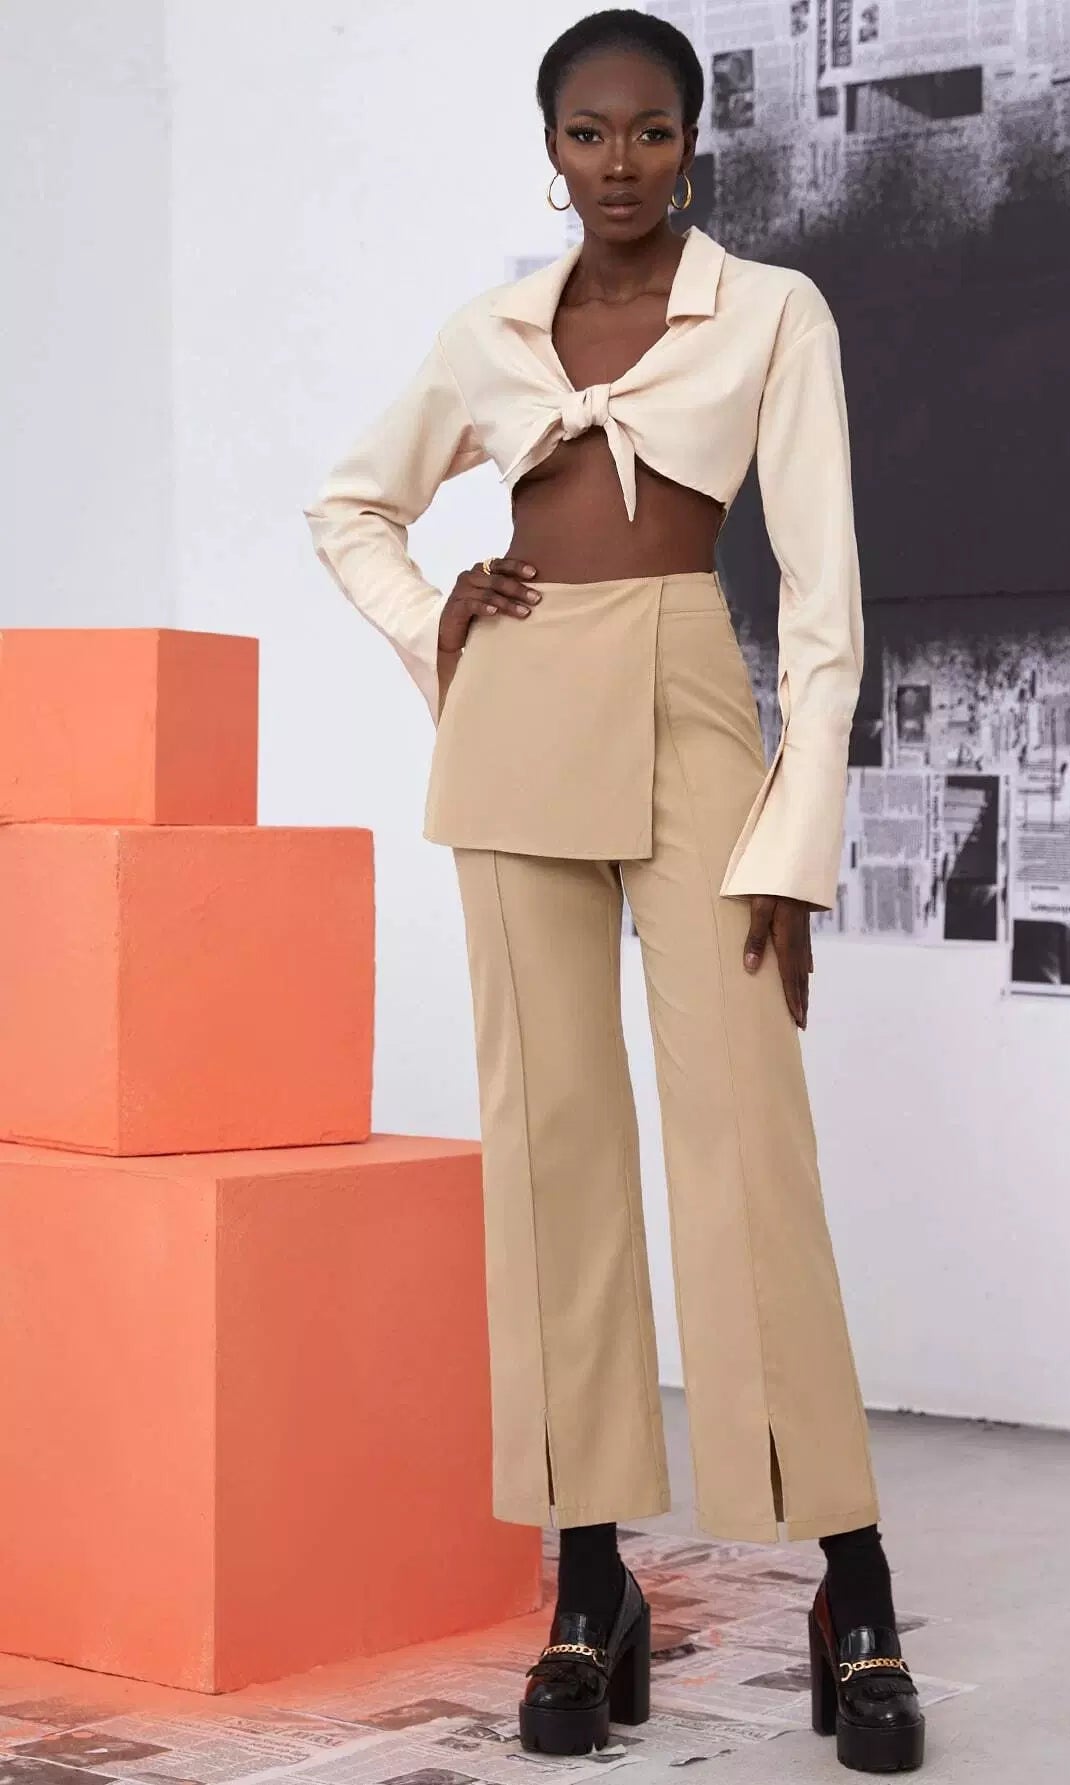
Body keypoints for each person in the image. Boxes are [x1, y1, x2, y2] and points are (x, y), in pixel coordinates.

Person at [303, 9, 924, 1774]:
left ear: (693, 142)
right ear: (552, 150)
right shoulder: (491, 336)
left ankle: (854, 1581)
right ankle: (590, 1582)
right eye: (589, 133)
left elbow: (826, 603)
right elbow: (351, 505)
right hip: (518, 718)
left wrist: (794, 843)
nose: (621, 161)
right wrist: (439, 617)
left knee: (749, 1140)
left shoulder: (771, 313)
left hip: (688, 705)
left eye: (651, 130)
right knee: (551, 1147)